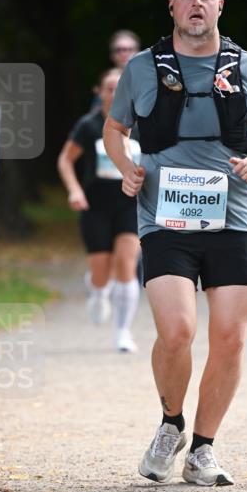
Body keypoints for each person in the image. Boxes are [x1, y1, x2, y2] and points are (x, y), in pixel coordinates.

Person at [103, 0, 247, 487]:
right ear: (172, 6)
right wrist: (127, 169)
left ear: (220, 6)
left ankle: (203, 449)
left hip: (232, 216)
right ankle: (170, 423)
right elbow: (116, 129)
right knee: (177, 330)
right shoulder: (142, 66)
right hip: (165, 216)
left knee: (229, 337)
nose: (197, 4)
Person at [58, 68, 140, 352]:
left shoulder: (143, 123)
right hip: (95, 207)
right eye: (110, 88)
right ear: (100, 92)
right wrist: (74, 189)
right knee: (102, 272)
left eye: (121, 88)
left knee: (126, 267)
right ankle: (97, 288)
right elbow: (65, 160)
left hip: (131, 205)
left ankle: (122, 332)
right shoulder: (89, 125)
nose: (116, 94)